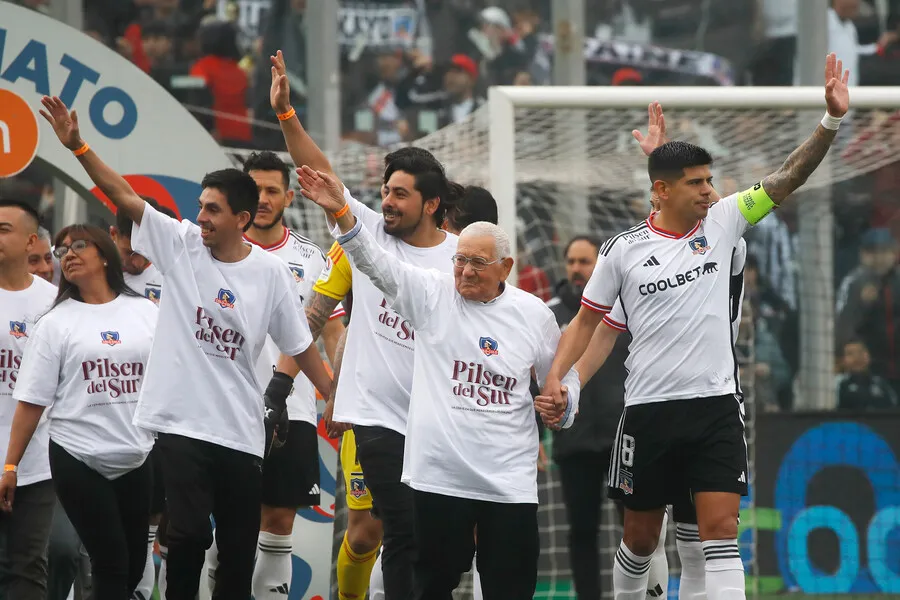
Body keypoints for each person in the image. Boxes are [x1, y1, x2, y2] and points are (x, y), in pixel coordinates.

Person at [543, 53, 850, 600]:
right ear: (661, 191)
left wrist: (829, 122)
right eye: (696, 183)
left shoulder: (727, 219)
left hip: (714, 407)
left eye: (710, 180)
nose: (710, 190)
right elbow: (590, 325)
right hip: (647, 411)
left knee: (719, 534)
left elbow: (788, 176)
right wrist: (562, 382)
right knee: (640, 540)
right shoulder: (622, 252)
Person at [38, 94, 333, 600]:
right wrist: (78, 146)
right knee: (191, 533)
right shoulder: (181, 244)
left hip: (242, 430)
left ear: (242, 219)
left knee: (240, 550)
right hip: (179, 427)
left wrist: (335, 394)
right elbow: (126, 197)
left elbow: (300, 343)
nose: (201, 217)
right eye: (200, 206)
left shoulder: (270, 273)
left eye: (213, 210)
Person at [298, 164, 579, 599]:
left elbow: (561, 377)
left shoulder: (534, 315)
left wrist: (565, 401)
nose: (464, 271)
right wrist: (343, 215)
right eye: (459, 260)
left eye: (478, 263)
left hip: (508, 484)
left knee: (509, 588)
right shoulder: (431, 295)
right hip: (439, 480)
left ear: (505, 267)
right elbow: (376, 264)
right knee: (426, 583)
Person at [270, 49, 456, 600]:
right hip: (376, 416)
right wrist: (286, 115)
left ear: (433, 203)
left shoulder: (459, 260)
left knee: (434, 540)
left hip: (438, 417)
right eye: (385, 192)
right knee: (402, 530)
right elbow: (321, 173)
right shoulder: (366, 232)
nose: (388, 202)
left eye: (401, 194)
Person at [202, 150, 345, 599]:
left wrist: (336, 390)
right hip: (220, 409)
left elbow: (333, 332)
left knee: (280, 519)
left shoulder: (312, 257)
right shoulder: (209, 253)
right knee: (220, 519)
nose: (263, 199)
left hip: (293, 408)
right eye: (255, 189)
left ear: (287, 197)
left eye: (272, 191)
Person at [0, 224, 158, 599]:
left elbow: (170, 379)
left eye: (78, 245)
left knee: (135, 566)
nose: (67, 254)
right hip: (77, 456)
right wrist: (11, 466)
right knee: (110, 562)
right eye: (61, 250)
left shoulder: (146, 312)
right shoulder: (55, 323)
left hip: (137, 455)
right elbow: (32, 401)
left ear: (105, 254)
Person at [547, 234, 630, 600]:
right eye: (572, 262)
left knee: (635, 529)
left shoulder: (624, 308)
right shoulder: (549, 313)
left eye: (585, 261)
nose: (577, 269)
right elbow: (535, 377)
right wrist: (536, 435)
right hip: (575, 441)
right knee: (582, 531)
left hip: (622, 438)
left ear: (600, 265)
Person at [110, 194, 177, 600]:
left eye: (146, 249)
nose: (137, 258)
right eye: (129, 247)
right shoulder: (94, 274)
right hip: (111, 409)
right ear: (114, 233)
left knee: (161, 513)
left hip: (165, 410)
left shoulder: (176, 272)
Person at [0, 200, 58, 600]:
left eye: (3, 229)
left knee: (28, 567)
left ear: (31, 240)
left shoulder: (55, 303)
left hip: (36, 465)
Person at [110, 195, 177, 304]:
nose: (138, 263)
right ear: (113, 234)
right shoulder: (95, 272)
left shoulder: (175, 272)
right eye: (130, 253)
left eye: (147, 251)